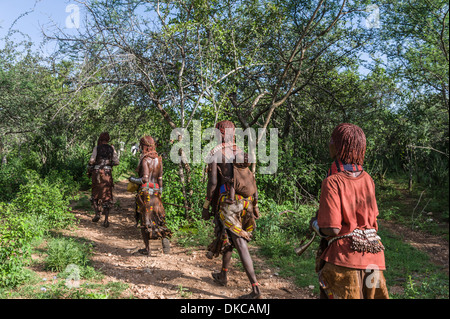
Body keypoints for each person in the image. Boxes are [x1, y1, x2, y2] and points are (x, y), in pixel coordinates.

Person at [310, 123, 389, 299]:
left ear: (339, 147)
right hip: (374, 259)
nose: (329, 143)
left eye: (332, 139)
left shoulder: (332, 181)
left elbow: (332, 229)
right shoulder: (368, 179)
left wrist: (314, 224)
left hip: (344, 260)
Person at [202, 120, 262, 299]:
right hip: (247, 203)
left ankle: (256, 289)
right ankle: (223, 275)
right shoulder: (241, 152)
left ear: (220, 134)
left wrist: (206, 205)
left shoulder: (216, 153)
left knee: (240, 243)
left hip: (230, 204)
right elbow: (251, 178)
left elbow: (213, 183)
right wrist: (256, 204)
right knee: (227, 237)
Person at [128, 136, 171, 255]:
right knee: (158, 217)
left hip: (145, 192)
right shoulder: (159, 159)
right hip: (156, 191)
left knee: (145, 220)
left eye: (142, 146)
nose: (141, 149)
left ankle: (147, 249)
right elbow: (160, 178)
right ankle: (164, 238)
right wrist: (160, 192)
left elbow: (144, 178)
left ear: (145, 146)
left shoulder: (145, 159)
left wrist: (132, 179)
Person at [87, 132, 120, 228]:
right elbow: (117, 162)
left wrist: (93, 164)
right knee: (107, 194)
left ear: (100, 139)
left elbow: (92, 160)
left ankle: (97, 213)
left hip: (97, 172)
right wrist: (110, 164)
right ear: (108, 139)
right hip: (107, 173)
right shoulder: (111, 149)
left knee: (95, 192)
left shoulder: (97, 148)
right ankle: (106, 220)